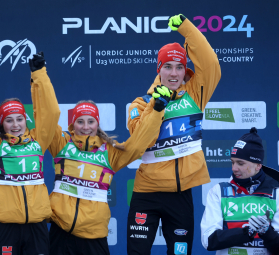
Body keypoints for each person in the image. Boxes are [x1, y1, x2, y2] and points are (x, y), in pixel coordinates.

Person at [126, 14, 221, 254]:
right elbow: (140, 142)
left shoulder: (195, 94)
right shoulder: (139, 104)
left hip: (180, 195)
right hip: (146, 193)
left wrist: (187, 29)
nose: (174, 73)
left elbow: (210, 65)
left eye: (179, 67)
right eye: (167, 66)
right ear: (159, 70)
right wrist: (156, 108)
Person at [48, 84, 169, 255]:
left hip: (94, 234)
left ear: (97, 124)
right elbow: (47, 115)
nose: (85, 127)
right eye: (80, 121)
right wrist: (39, 75)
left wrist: (156, 111)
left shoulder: (110, 152)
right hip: (60, 232)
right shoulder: (62, 144)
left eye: (91, 121)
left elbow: (139, 142)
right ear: (72, 124)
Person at [0, 51, 60, 255]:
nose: (15, 124)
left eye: (19, 119)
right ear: (1, 123)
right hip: (6, 226)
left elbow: (51, 112)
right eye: (9, 120)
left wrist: (39, 74)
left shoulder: (38, 141)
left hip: (36, 224)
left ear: (25, 120)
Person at [201, 127, 279, 254]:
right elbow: (208, 240)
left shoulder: (276, 193)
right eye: (232, 162)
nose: (234, 168)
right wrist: (246, 232)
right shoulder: (219, 192)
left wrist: (267, 232)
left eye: (240, 163)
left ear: (258, 165)